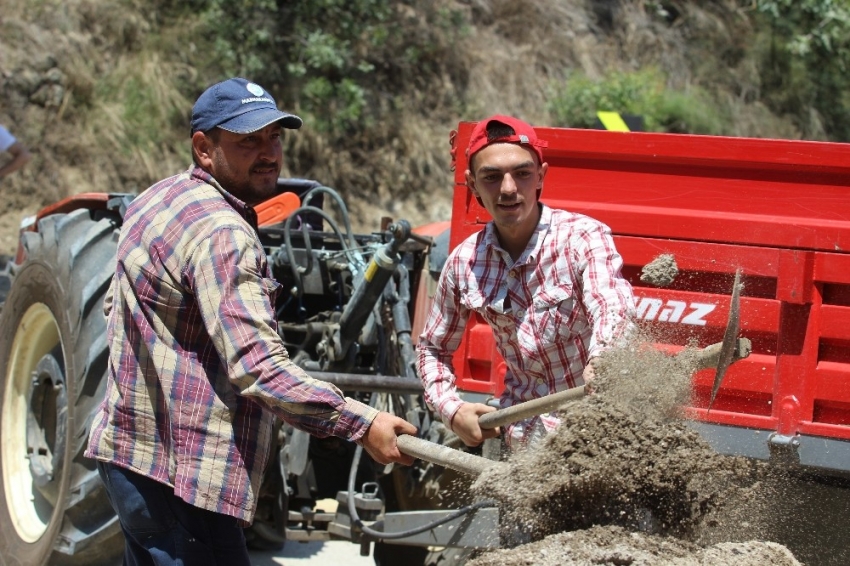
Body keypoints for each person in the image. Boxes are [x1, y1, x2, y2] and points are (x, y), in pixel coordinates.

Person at [85, 77, 417, 565]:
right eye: (248, 142)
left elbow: (117, 310)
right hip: (187, 483)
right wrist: (362, 423)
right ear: (204, 147)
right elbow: (260, 368)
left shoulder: (155, 200)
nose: (269, 154)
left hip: (129, 460)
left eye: (274, 138)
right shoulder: (224, 234)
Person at [417, 115, 635, 452]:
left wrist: (604, 360)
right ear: (472, 184)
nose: (508, 189)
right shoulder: (464, 262)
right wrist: (451, 409)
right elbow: (432, 348)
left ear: (540, 177)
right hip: (524, 445)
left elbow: (612, 306)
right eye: (491, 177)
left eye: (522, 173)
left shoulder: (582, 239)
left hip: (600, 430)